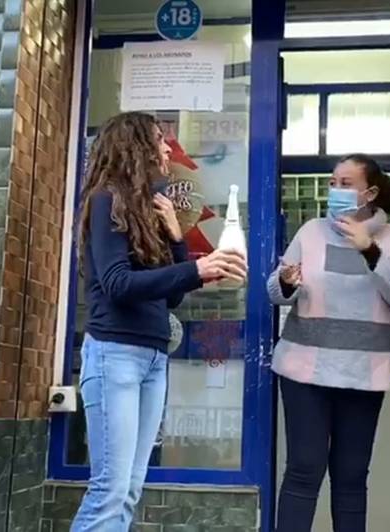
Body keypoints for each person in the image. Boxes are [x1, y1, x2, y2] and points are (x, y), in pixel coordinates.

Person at [71, 112, 247, 531]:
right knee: (110, 489)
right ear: (135, 148)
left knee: (130, 487)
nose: (168, 149)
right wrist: (197, 269)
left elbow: (171, 297)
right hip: (114, 355)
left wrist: (175, 237)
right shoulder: (105, 199)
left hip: (151, 357)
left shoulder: (151, 208)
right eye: (159, 140)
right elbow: (116, 283)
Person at [268, 154, 390, 532]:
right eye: (333, 182)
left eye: (346, 183)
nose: (335, 190)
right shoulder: (311, 231)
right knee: (304, 469)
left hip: (363, 375)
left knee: (351, 478)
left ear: (369, 192)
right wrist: (286, 281)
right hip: (304, 369)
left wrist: (370, 250)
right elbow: (275, 290)